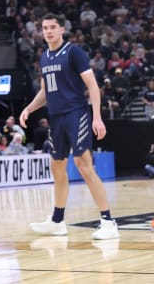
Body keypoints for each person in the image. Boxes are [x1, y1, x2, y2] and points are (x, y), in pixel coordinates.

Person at [19, 13, 118, 240]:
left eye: (53, 27)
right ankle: (57, 221)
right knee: (57, 166)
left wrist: (97, 117)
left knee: (83, 165)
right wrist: (29, 109)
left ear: (62, 29)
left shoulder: (74, 52)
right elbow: (45, 92)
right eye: (45, 28)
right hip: (56, 117)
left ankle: (108, 221)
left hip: (76, 113)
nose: (48, 31)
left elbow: (92, 85)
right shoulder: (44, 57)